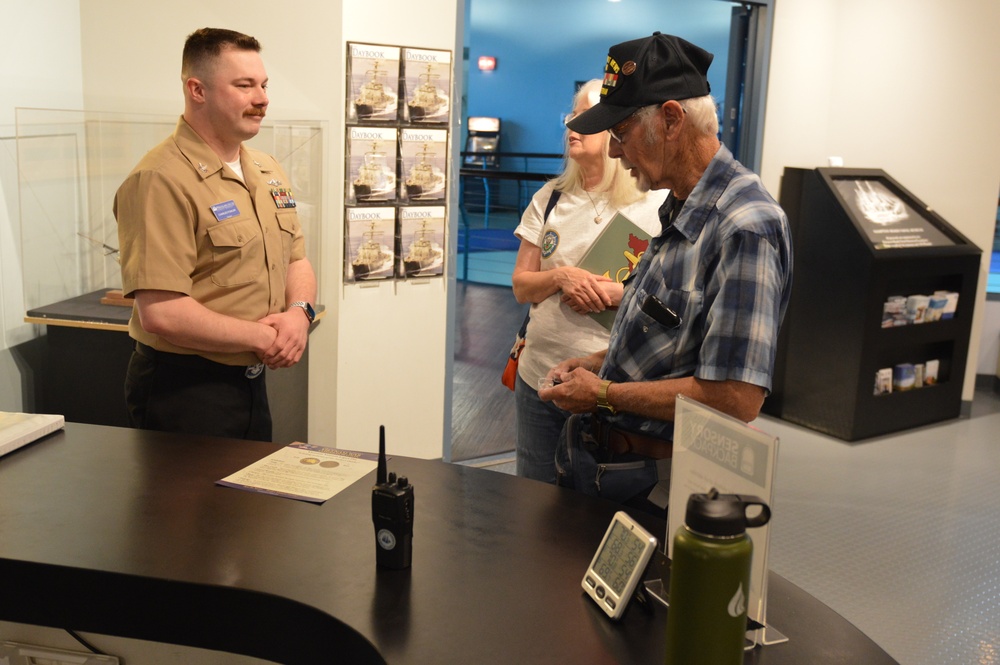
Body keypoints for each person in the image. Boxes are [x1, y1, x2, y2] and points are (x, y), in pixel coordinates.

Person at [539, 32, 793, 515]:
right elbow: (670, 345)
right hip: (615, 472)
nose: (614, 153)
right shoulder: (678, 206)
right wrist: (595, 364)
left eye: (621, 133)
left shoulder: (746, 227)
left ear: (672, 119)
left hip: (664, 489)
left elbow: (736, 398)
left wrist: (606, 394)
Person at [114, 28, 317, 442]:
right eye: (244, 86)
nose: (261, 98)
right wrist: (266, 337)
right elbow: (162, 312)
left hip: (251, 382)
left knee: (250, 508)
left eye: (263, 85)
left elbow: (296, 258)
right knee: (187, 509)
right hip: (185, 390)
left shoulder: (265, 168)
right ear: (197, 90)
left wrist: (300, 314)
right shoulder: (160, 178)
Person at [511, 79, 667, 483]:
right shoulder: (550, 198)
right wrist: (562, 276)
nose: (573, 127)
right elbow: (521, 286)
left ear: (616, 129)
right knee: (532, 502)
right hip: (540, 378)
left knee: (594, 507)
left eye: (586, 117)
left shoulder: (656, 206)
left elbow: (669, 303)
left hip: (608, 385)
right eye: (572, 117)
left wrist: (612, 295)